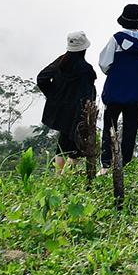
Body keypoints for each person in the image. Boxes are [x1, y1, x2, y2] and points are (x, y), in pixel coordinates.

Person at [98, 3, 138, 171]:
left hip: (115, 90)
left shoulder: (116, 39)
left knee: (109, 126)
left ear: (122, 21)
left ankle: (105, 164)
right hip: (137, 92)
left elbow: (104, 63)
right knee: (131, 129)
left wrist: (116, 73)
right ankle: (125, 164)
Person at [36, 31, 97, 172]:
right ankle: (65, 176)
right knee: (78, 148)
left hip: (61, 110)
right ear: (84, 49)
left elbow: (42, 78)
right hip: (77, 112)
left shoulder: (61, 61)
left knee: (63, 143)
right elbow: (89, 94)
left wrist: (53, 96)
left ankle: (59, 176)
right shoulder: (86, 69)